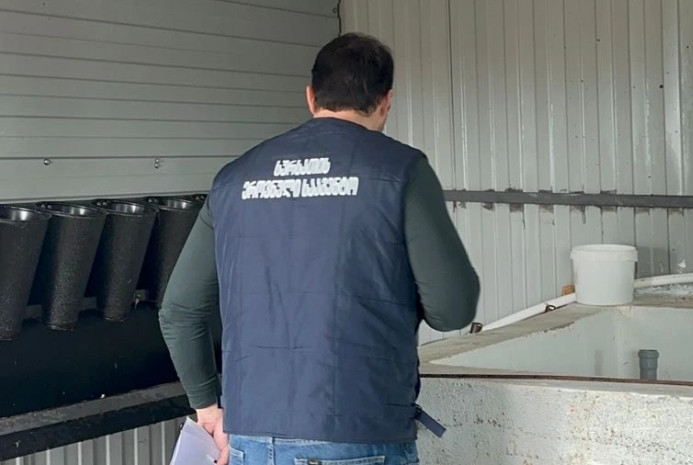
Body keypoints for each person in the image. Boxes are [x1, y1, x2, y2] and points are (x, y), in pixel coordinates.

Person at [159, 33, 480, 465]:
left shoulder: (234, 179)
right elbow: (453, 309)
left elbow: (179, 311)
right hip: (359, 432)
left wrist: (208, 408)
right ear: (386, 102)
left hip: (251, 438)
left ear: (311, 97)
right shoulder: (400, 171)